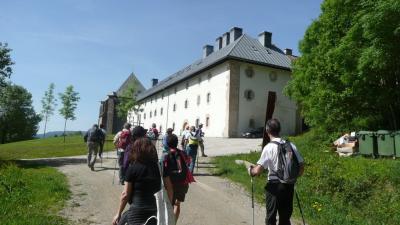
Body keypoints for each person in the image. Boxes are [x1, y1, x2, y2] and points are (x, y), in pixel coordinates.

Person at [248, 119, 305, 225]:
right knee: (285, 218)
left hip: (274, 187)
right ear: (279, 130)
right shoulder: (291, 145)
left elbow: (258, 170)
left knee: (271, 217)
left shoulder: (269, 147)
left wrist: (251, 171)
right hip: (288, 186)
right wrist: (291, 177)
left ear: (267, 130)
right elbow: (301, 167)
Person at [112, 138, 171, 225]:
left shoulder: (132, 168)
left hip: (137, 212)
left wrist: (118, 213)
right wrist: (168, 205)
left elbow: (125, 194)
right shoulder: (160, 168)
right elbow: (169, 188)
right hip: (156, 210)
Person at [163, 134, 195, 222]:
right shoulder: (183, 153)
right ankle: (174, 222)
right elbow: (188, 161)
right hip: (183, 182)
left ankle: (168, 222)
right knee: (177, 204)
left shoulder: (165, 155)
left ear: (167, 144)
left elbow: (164, 170)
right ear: (177, 143)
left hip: (170, 184)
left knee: (169, 205)